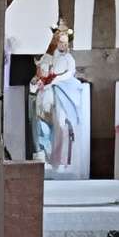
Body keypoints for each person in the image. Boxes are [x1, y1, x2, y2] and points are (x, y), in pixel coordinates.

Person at [32, 21, 88, 175]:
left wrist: (56, 79)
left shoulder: (69, 58)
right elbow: (41, 71)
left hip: (62, 90)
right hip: (47, 92)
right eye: (60, 42)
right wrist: (41, 80)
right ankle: (46, 158)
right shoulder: (49, 57)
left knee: (62, 126)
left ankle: (61, 161)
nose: (63, 45)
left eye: (65, 43)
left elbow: (69, 73)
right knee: (43, 127)